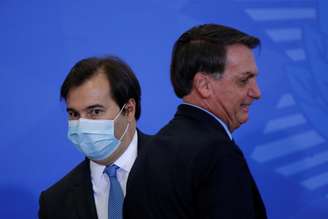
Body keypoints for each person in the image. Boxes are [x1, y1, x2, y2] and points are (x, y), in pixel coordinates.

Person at [123, 24, 267, 219]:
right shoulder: (217, 153)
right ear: (204, 85)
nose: (256, 93)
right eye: (243, 80)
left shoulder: (149, 150)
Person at [38, 56, 152, 219]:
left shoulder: (178, 167)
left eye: (95, 111)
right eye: (74, 114)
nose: (82, 125)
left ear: (129, 109)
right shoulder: (55, 202)